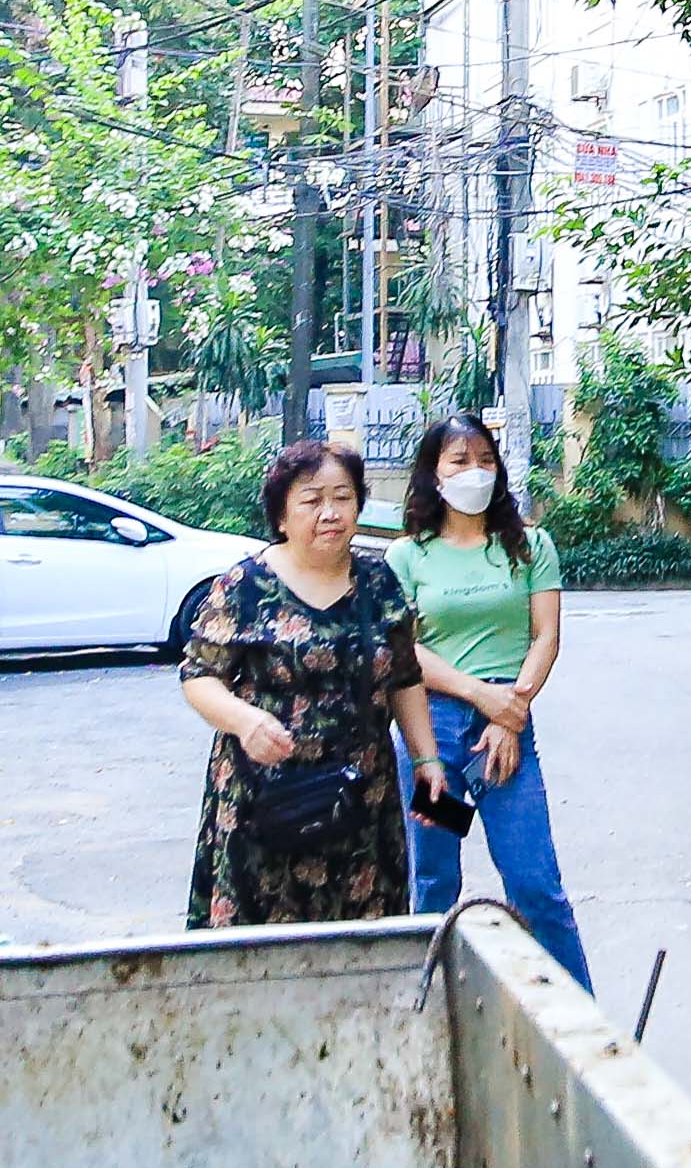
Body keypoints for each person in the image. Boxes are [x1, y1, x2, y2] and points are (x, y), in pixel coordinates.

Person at [179, 437, 444, 931]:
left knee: (362, 949)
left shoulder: (379, 581)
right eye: (311, 500)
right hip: (266, 798)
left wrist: (426, 760)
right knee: (257, 957)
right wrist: (245, 720)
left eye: (343, 498)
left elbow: (405, 677)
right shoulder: (244, 586)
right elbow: (199, 676)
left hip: (361, 801)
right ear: (282, 515)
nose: (330, 513)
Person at [390, 414, 591, 987]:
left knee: (533, 883)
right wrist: (481, 695)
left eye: (485, 459)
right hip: (433, 744)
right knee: (434, 879)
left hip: (503, 740)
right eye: (458, 460)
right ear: (432, 473)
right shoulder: (409, 557)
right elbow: (406, 651)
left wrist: (510, 712)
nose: (474, 472)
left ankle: (581, 1021)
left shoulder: (529, 547)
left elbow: (545, 637)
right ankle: (429, 1015)